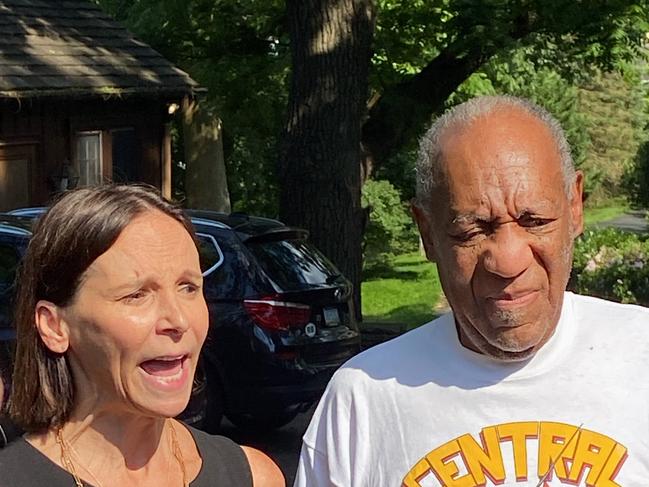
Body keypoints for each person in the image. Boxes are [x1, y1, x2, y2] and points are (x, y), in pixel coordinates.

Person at [294, 95, 649, 486]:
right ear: (427, 232)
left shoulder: (640, 356)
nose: (509, 261)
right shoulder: (362, 400)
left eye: (534, 220)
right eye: (472, 231)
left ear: (575, 207)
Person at [0, 185, 284, 486]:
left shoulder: (253, 477)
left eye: (188, 287)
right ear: (54, 326)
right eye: (136, 295)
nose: (178, 319)